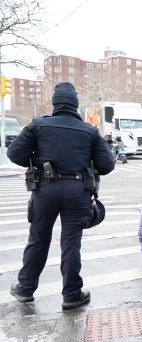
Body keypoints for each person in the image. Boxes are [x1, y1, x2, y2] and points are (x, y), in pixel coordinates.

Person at [7, 82, 115, 310]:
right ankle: (72, 295)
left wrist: (35, 156)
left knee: (38, 239)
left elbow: (14, 154)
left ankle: (25, 289)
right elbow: (107, 165)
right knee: (71, 243)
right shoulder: (90, 131)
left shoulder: (38, 126)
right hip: (77, 191)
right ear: (75, 106)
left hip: (44, 190)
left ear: (55, 104)